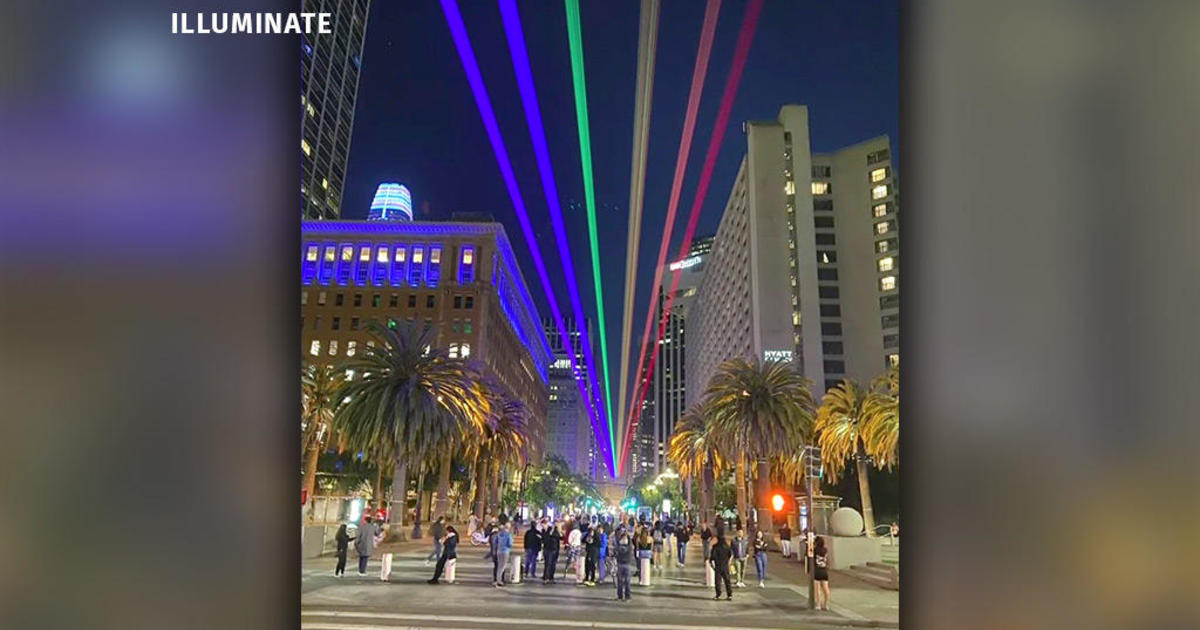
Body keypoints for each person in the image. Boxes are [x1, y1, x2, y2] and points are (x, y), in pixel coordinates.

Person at [710, 536, 733, 600]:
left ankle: (718, 595)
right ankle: (729, 594)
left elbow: (712, 557)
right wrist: (729, 562)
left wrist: (712, 566)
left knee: (718, 581)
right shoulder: (727, 547)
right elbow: (731, 555)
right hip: (725, 566)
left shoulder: (715, 547)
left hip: (718, 566)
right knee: (727, 580)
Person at [613, 529, 634, 601]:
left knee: (627, 581)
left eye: (625, 538)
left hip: (627, 564)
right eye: (623, 538)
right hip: (620, 564)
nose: (624, 539)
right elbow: (615, 551)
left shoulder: (629, 546)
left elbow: (630, 546)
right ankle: (620, 596)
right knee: (620, 581)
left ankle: (627, 596)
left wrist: (627, 535)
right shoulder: (619, 545)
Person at [813, 536, 831, 610]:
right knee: (826, 588)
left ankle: (818, 604)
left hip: (817, 570)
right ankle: (826, 604)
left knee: (817, 589)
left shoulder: (815, 550)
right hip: (824, 570)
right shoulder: (825, 550)